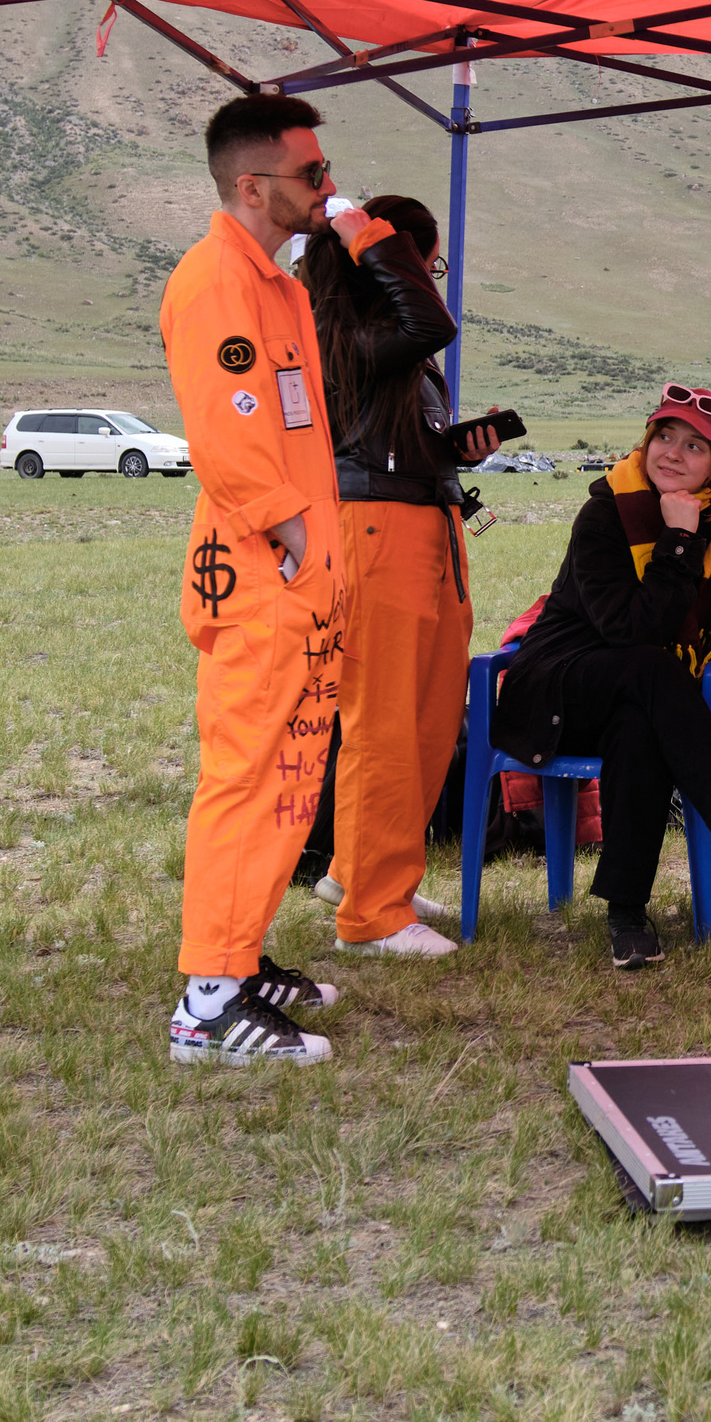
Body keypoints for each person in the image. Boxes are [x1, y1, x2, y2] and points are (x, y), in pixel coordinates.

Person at [163, 94, 366, 1066]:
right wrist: (293, 539)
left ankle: (237, 957)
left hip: (301, 575)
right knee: (246, 776)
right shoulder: (214, 283)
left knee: (289, 776)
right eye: (312, 173)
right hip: (260, 577)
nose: (327, 188)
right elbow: (229, 438)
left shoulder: (277, 284)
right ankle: (207, 1001)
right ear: (253, 184)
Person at [491, 385, 711, 969]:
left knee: (640, 724)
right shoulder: (606, 511)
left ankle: (626, 916)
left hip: (642, 695)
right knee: (652, 667)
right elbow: (628, 632)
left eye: (694, 446)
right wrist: (676, 539)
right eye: (664, 436)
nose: (672, 453)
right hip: (559, 689)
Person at [298, 194, 500, 960]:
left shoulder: (381, 340)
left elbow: (394, 431)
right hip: (378, 530)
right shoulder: (338, 328)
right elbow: (435, 323)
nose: (432, 279)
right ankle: (371, 914)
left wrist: (453, 451)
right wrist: (374, 241)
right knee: (384, 720)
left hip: (424, 523)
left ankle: (367, 873)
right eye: (430, 262)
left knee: (425, 716)